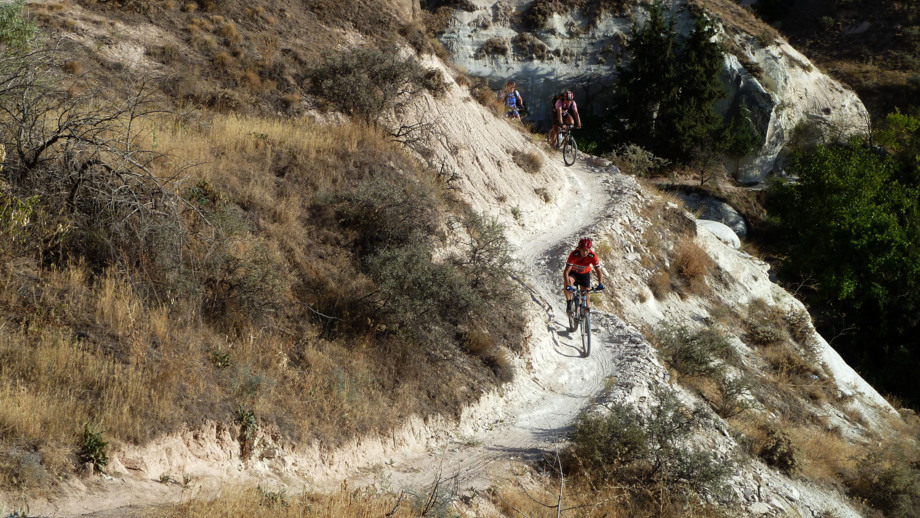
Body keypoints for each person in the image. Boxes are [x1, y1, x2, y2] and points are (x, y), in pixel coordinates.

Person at [563, 236, 604, 314]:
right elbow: (566, 272)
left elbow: (598, 271)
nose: (585, 252)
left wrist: (600, 283)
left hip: (585, 274)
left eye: (586, 250)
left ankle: (586, 315)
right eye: (582, 250)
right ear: (579, 249)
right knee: (567, 282)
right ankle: (569, 302)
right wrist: (568, 285)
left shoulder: (592, 256)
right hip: (574, 272)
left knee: (585, 295)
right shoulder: (574, 254)